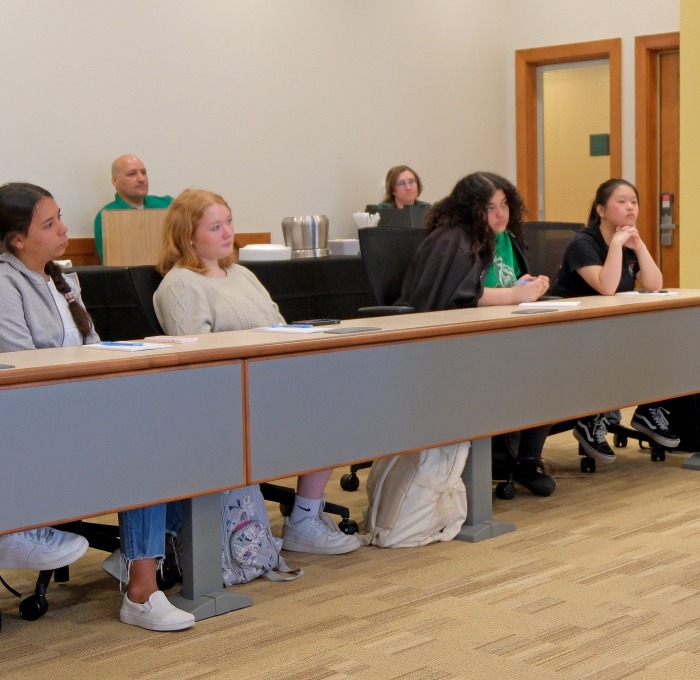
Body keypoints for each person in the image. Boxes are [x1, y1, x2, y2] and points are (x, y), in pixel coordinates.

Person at [0, 182, 194, 632]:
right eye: (50, 224)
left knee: (181, 431)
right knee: (142, 445)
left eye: (60, 217)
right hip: (37, 418)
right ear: (17, 240)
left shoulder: (63, 275)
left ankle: (139, 555)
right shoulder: (6, 284)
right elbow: (22, 368)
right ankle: (142, 590)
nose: (65, 229)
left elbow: (89, 347)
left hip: (82, 405)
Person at [153, 188, 362, 555]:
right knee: (323, 412)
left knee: (336, 402)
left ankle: (304, 519)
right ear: (188, 236)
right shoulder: (181, 284)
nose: (228, 232)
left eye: (229, 222)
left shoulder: (242, 274)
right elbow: (196, 356)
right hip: (230, 393)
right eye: (215, 227)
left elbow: (279, 326)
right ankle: (303, 521)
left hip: (271, 381)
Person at [395, 171, 555, 496]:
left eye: (504, 205)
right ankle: (508, 458)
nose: (500, 214)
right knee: (534, 369)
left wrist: (524, 288)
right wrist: (513, 296)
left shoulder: (496, 237)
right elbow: (461, 296)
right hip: (443, 345)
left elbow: (487, 288)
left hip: (491, 334)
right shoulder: (453, 240)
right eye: (490, 207)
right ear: (471, 209)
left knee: (550, 362)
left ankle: (525, 459)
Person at [551, 178, 680, 463]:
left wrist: (638, 243)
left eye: (634, 201)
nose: (630, 207)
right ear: (601, 209)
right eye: (621, 202)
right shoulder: (583, 242)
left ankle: (648, 408)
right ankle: (590, 418)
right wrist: (617, 245)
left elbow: (655, 283)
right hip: (572, 329)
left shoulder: (628, 240)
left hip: (609, 326)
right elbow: (606, 287)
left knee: (668, 339)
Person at [93, 154, 173, 262]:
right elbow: (111, 263)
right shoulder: (106, 216)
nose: (141, 179)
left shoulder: (168, 204)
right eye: (132, 174)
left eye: (144, 173)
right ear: (114, 181)